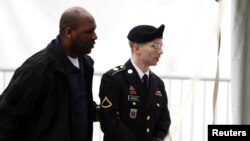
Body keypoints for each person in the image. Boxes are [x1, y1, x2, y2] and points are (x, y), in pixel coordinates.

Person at [0, 6, 98, 141]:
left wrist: (96, 112)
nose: (95, 36)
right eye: (89, 31)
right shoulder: (37, 68)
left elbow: (71, 105)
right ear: (69, 32)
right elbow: (6, 115)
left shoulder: (87, 65)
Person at [99, 24, 171, 141]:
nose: (161, 51)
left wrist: (158, 138)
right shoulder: (114, 79)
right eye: (156, 45)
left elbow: (164, 120)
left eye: (161, 46)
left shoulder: (157, 83)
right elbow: (109, 122)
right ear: (137, 48)